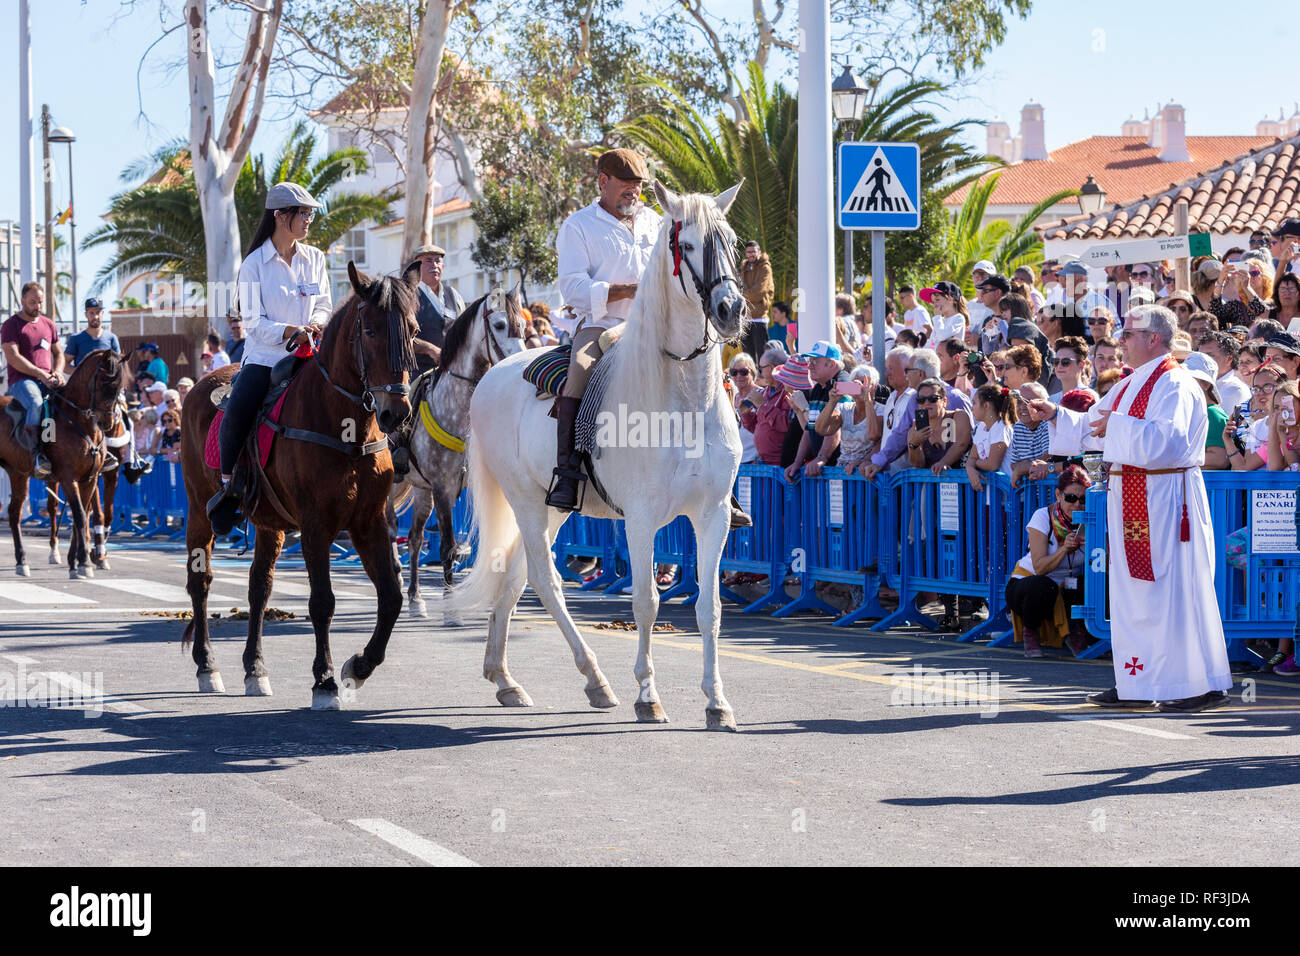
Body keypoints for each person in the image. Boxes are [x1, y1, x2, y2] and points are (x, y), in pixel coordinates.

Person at [1029, 304, 1231, 712]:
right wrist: (1057, 415)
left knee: (1172, 590)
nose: (1120, 341)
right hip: (1133, 497)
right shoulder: (1134, 381)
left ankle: (1193, 683)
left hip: (1167, 498)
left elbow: (1166, 443)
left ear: (1153, 338)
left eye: (1128, 334)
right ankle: (1137, 682)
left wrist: (1117, 427)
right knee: (1132, 593)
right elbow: (1096, 425)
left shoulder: (1175, 382)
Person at [208, 181, 332, 535]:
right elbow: (253, 324)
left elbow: (324, 303)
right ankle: (229, 486)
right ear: (280, 216)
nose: (309, 219)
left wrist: (317, 323)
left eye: (310, 213)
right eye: (303, 213)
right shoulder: (253, 264)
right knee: (239, 407)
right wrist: (291, 329)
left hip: (310, 356)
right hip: (265, 359)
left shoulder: (316, 258)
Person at [1005, 463, 1093, 658]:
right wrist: (1063, 550)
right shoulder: (1043, 515)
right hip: (1028, 584)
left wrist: (1096, 546)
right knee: (1043, 585)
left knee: (1089, 585)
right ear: (1058, 495)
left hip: (1066, 587)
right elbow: (1039, 566)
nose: (1077, 504)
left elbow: (1101, 564)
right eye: (1071, 498)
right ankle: (1031, 633)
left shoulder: (1091, 521)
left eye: (1083, 499)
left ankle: (1079, 632)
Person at [862, 348, 972, 478]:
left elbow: (967, 441)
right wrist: (878, 462)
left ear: (920, 374)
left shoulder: (955, 398)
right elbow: (901, 436)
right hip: (930, 478)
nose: (905, 374)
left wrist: (944, 462)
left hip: (963, 481)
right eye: (922, 400)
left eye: (908, 370)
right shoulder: (915, 400)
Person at [0, 282, 63, 478]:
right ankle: (36, 455)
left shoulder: (48, 324)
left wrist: (58, 372)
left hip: (47, 379)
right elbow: (13, 357)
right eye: (32, 302)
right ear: (22, 301)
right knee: (36, 404)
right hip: (22, 381)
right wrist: (40, 374)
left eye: (40, 302)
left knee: (68, 404)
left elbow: (58, 353)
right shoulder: (11, 325)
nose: (37, 306)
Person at [785, 341, 850, 480]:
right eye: (810, 361)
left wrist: (821, 457)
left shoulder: (844, 384)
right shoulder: (818, 388)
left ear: (831, 364)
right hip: (827, 470)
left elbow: (835, 426)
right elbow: (810, 430)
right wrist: (797, 462)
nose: (809, 366)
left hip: (842, 471)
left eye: (815, 361)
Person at [407, 243, 466, 375]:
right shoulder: (407, 296)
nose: (434, 265)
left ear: (443, 267)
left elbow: (464, 332)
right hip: (417, 374)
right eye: (428, 261)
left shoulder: (454, 295)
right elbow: (400, 338)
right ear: (416, 267)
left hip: (452, 373)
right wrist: (429, 349)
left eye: (438, 261)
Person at [816, 363, 882, 475]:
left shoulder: (882, 410)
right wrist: (832, 401)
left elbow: (874, 435)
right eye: (855, 383)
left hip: (865, 472)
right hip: (842, 471)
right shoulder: (844, 408)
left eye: (863, 382)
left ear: (873, 387)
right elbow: (821, 429)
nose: (859, 386)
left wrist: (868, 401)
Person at [740, 346, 793, 466]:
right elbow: (757, 427)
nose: (759, 373)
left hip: (782, 464)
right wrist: (746, 415)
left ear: (771, 368)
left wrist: (763, 405)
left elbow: (786, 424)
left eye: (760, 368)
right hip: (764, 462)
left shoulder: (789, 391)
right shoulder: (764, 392)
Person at [1183, 352, 1229, 470]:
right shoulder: (1192, 412)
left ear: (1207, 384)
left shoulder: (1213, 414)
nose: (1183, 383)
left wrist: (1176, 458)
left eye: (1191, 378)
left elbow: (1219, 459)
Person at [966, 383, 1015, 491]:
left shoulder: (1001, 427)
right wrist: (970, 469)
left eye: (974, 403)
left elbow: (992, 464)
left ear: (986, 406)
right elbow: (972, 458)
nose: (971, 407)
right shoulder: (981, 427)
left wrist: (975, 463)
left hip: (1008, 495)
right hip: (991, 494)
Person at [1007, 381, 1051, 485]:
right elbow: (1013, 465)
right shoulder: (1018, 427)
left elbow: (1048, 457)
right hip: (1029, 494)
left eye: (1028, 402)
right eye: (1019, 402)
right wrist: (1024, 467)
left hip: (1050, 493)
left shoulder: (1048, 423)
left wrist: (1022, 468)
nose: (1022, 407)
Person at [739, 240, 773, 362]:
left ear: (759, 252)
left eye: (753, 251)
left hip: (759, 318)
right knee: (748, 358)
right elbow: (740, 286)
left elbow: (759, 293)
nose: (751, 254)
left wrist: (742, 295)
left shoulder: (765, 268)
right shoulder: (744, 267)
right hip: (745, 317)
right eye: (748, 252)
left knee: (763, 357)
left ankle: (764, 380)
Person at [1197, 331, 1250, 410]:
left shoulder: (1234, 390)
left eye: (1209, 355)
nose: (1202, 360)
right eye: (1200, 356)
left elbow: (1217, 421)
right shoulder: (1199, 384)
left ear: (1229, 359)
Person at [64, 297, 120, 366]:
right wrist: (81, 373)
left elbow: (119, 365)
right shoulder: (75, 339)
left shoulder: (112, 338)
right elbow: (64, 364)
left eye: (98, 312)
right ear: (86, 314)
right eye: (91, 313)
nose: (95, 317)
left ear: (102, 313)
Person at [728, 353, 760, 464]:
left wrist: (760, 457)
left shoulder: (761, 394)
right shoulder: (732, 398)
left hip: (755, 461)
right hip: (735, 461)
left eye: (743, 372)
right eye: (734, 372)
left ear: (752, 372)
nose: (738, 376)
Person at [918, 280, 968, 346]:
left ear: (951, 299)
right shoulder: (941, 320)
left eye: (937, 300)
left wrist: (937, 317)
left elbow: (942, 336)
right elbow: (932, 343)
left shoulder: (958, 318)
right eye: (933, 302)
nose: (935, 305)